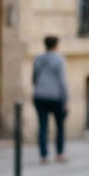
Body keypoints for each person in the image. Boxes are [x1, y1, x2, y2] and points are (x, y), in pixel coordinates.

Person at [32, 35, 69, 164]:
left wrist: (38, 87)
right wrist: (65, 99)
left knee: (43, 126)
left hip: (40, 95)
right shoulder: (59, 60)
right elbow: (62, 81)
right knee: (60, 127)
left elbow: (34, 78)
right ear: (56, 46)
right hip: (56, 96)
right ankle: (59, 153)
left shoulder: (38, 59)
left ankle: (44, 156)